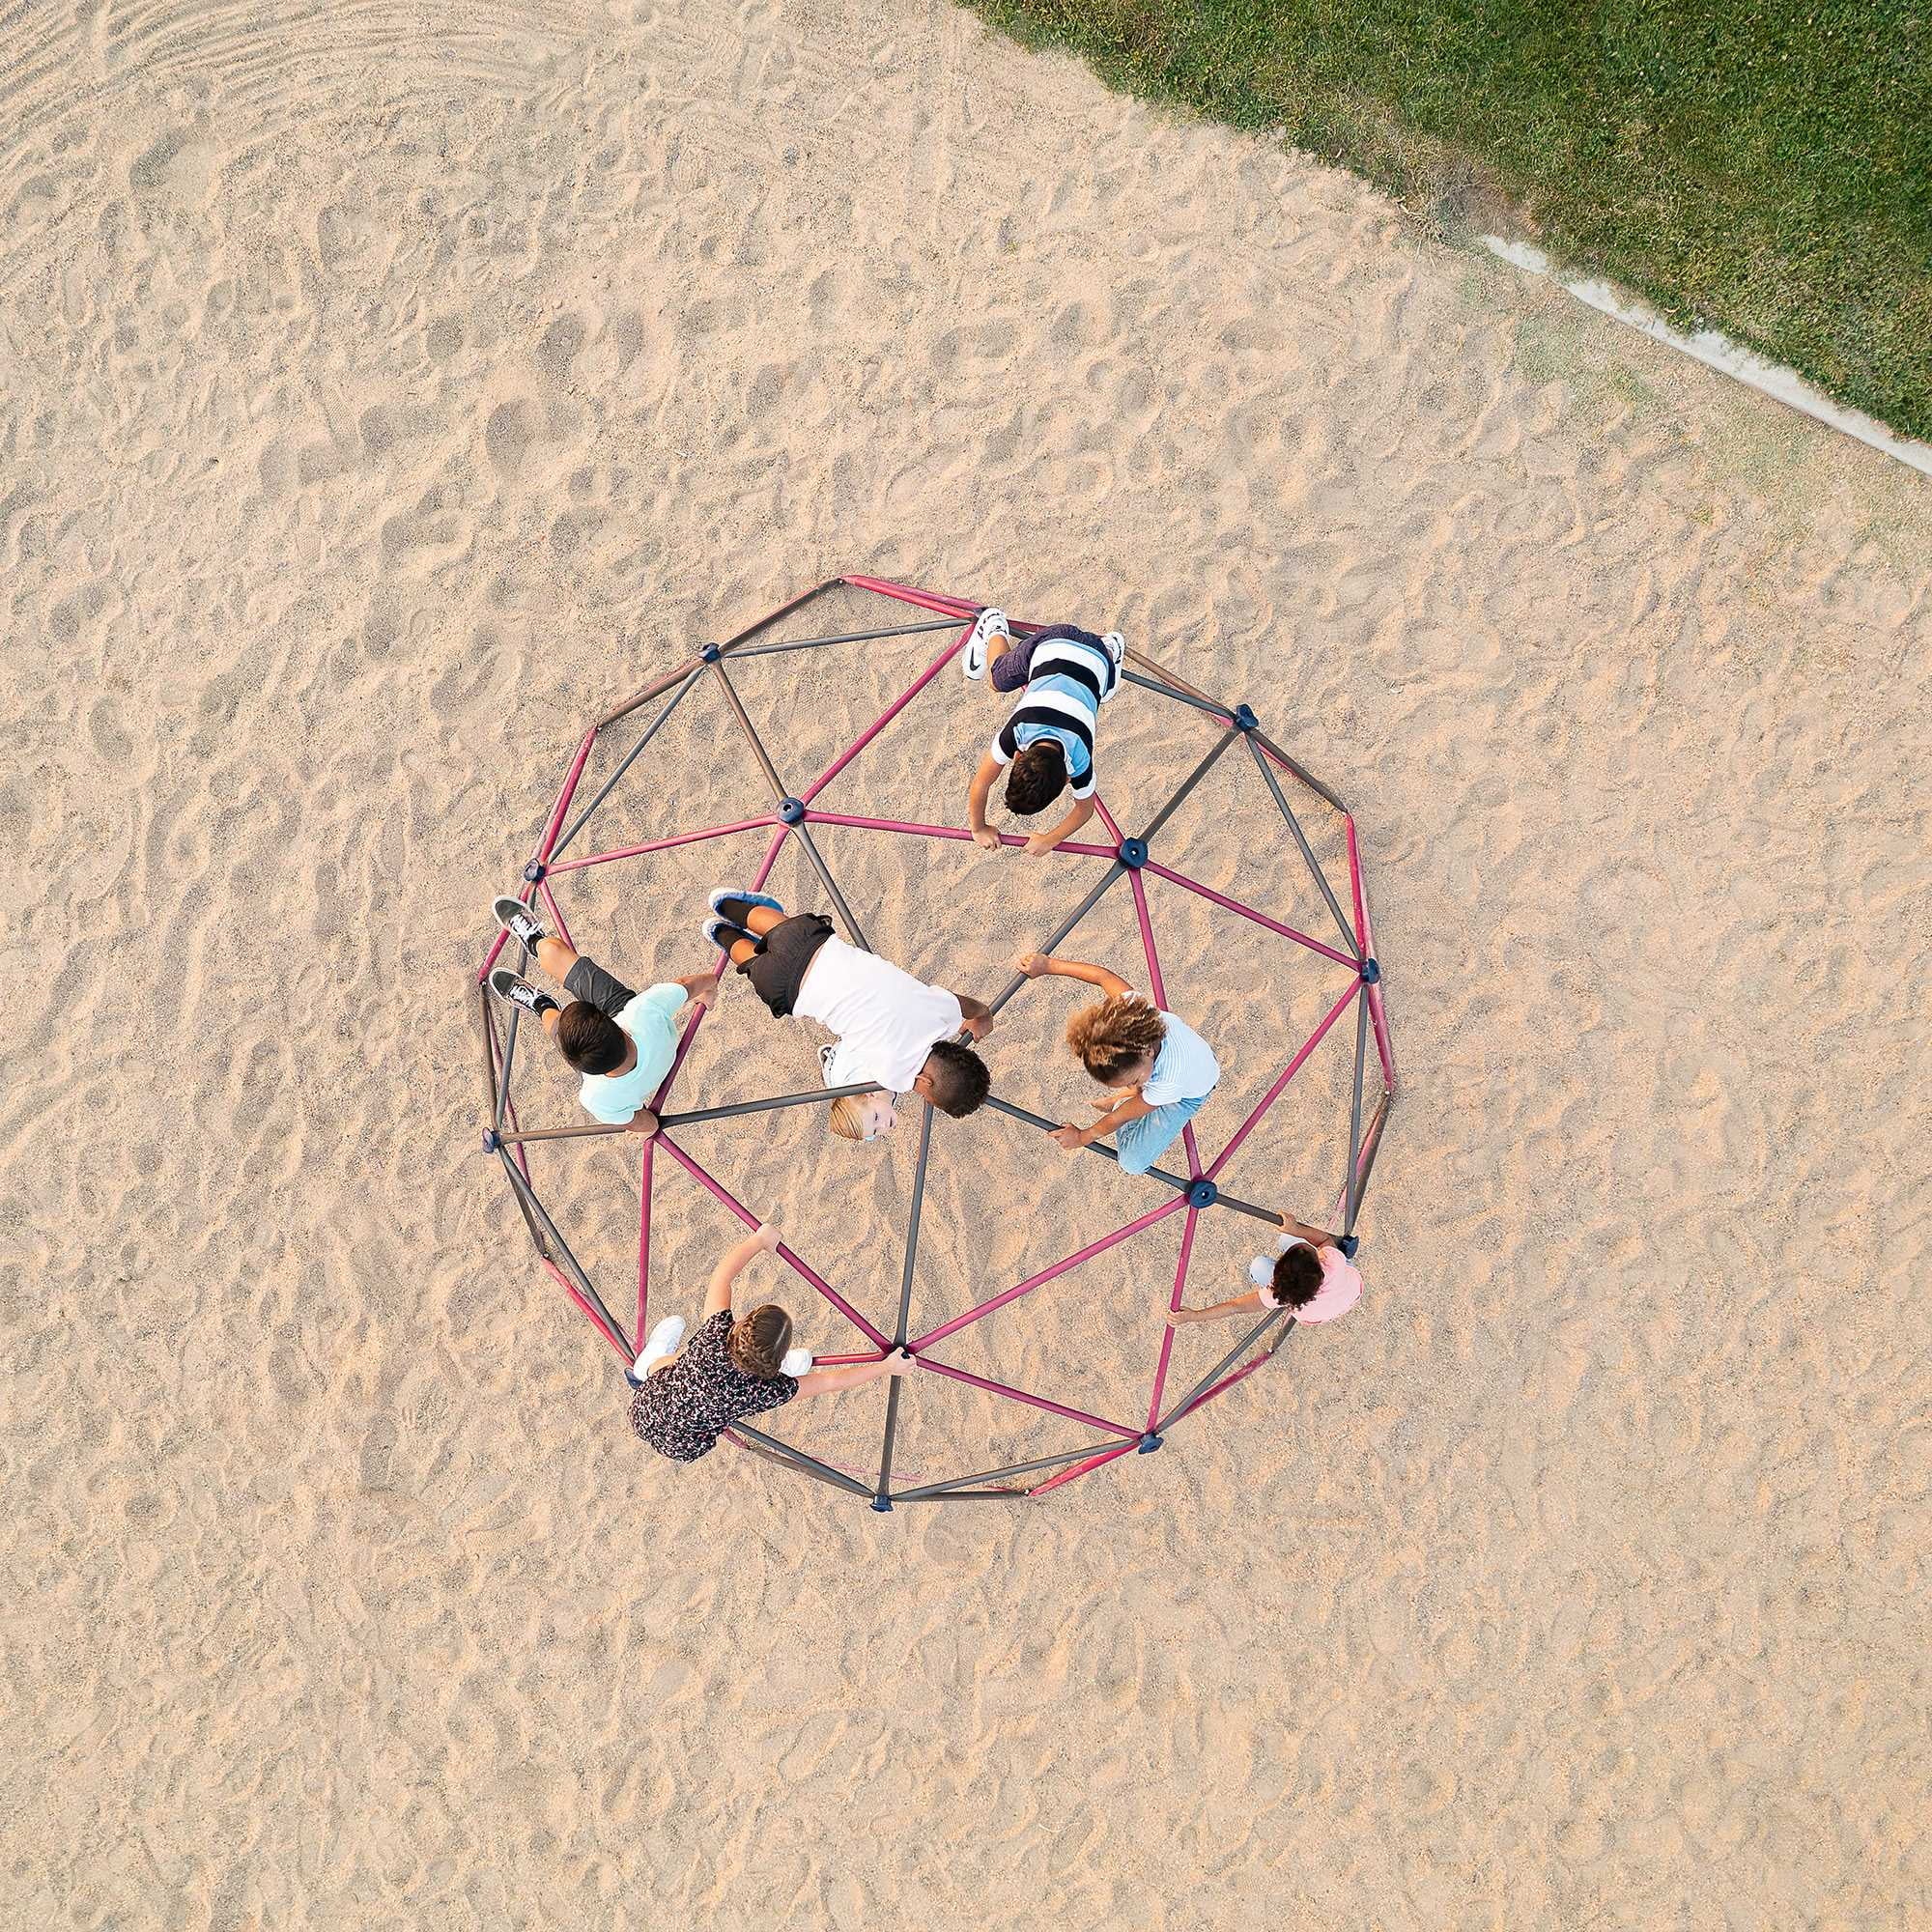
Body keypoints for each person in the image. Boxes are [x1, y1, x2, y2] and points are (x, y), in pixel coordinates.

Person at [705, 890, 993, 1139]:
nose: (920, 1096)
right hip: (789, 993)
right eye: (928, 1098)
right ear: (926, 1083)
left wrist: (981, 1015)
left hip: (812, 945)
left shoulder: (940, 1016)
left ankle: (727, 905)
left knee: (776, 925)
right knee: (752, 961)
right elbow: (875, 1089)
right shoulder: (895, 1079)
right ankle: (721, 935)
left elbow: (968, 1007)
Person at [628, 1222, 915, 1463]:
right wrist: (886, 1367)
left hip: (644, 1410)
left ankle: (649, 1364)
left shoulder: (715, 1335)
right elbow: (830, 1382)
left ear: (741, 1325)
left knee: (681, 1367)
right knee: (683, 1369)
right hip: (684, 1447)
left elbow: (722, 1276)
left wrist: (759, 1241)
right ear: (775, 1360)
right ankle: (648, 1362)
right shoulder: (767, 1392)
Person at [487, 895, 713, 1130]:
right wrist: (710, 988)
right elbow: (686, 984)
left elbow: (647, 1124)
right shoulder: (643, 1012)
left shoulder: (595, 1098)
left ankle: (540, 1003)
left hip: (618, 1041)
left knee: (556, 1026)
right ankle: (535, 941)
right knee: (564, 976)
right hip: (624, 1011)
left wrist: (647, 1127)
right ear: (613, 1024)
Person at [1013, 950, 1219, 1175]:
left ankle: (1125, 1099)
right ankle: (1125, 1097)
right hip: (1197, 1058)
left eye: (1134, 1080)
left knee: (1132, 1163)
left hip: (1191, 1093)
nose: (1133, 1084)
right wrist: (1050, 965)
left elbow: (1118, 1118)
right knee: (1138, 1091)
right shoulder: (1134, 1011)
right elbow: (1103, 977)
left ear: (1147, 1051)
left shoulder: (1168, 1081)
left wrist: (1082, 1137)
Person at [960, 605, 1124, 857]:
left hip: (1087, 652)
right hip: (1055, 641)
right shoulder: (1018, 731)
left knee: (1100, 690)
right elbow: (981, 784)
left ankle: (1111, 650)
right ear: (1017, 757)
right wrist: (979, 828)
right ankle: (993, 626)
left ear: (1067, 778)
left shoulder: (1079, 756)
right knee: (998, 681)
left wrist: (1051, 838)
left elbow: (1085, 810)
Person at [1163, 1210, 1362, 1327]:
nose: (1310, 1246)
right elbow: (1325, 1240)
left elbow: (1236, 1306)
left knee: (1259, 1266)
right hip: (1350, 1292)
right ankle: (1292, 1241)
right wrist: (1296, 1231)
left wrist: (1195, 1316)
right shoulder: (1334, 1264)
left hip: (1315, 1313)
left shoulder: (1276, 1295)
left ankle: (1269, 1267)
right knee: (1288, 1237)